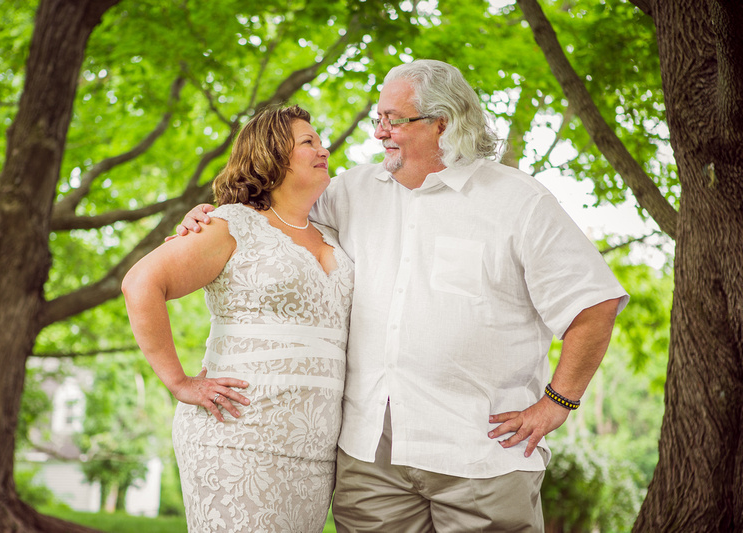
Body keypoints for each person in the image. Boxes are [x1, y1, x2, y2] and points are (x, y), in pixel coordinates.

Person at [177, 60, 628, 532]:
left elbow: (592, 303)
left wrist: (558, 401)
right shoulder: (349, 191)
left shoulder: (519, 201)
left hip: (480, 452)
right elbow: (270, 215)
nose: (380, 132)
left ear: (443, 123)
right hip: (369, 458)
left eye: (394, 119)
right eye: (378, 118)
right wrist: (210, 217)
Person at [122, 105, 354, 533]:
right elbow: (141, 284)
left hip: (317, 450)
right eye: (309, 142)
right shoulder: (231, 224)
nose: (323, 150)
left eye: (320, 141)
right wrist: (179, 382)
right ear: (272, 153)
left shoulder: (336, 236)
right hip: (238, 438)